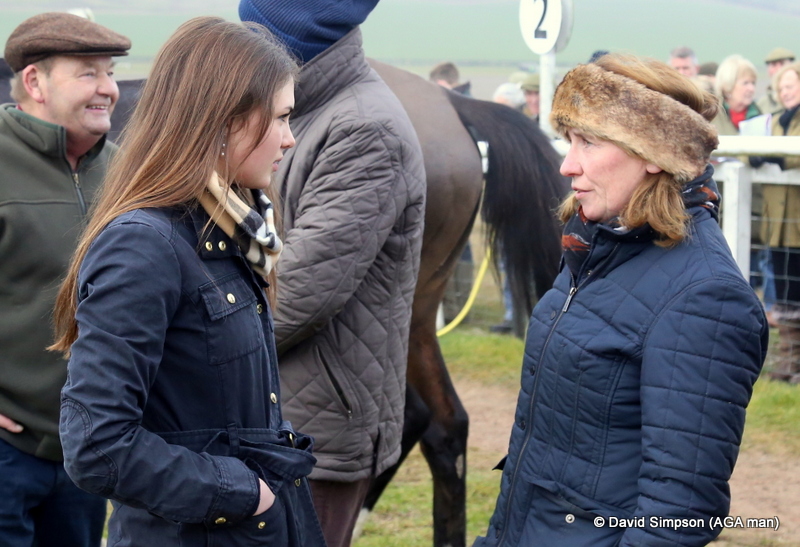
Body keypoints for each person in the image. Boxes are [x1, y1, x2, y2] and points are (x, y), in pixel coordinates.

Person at [51, 17, 325, 546]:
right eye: (282, 118)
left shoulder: (231, 234)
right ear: (225, 120)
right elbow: (97, 445)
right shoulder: (144, 244)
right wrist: (246, 492)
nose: (291, 139)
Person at [474, 53, 768, 547]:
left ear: (655, 152)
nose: (567, 164)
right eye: (570, 140)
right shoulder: (597, 249)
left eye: (589, 141)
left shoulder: (705, 298)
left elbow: (678, 517)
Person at [238, 2, 426, 547]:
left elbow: (296, 296)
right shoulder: (303, 111)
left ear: (285, 41)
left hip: (318, 429)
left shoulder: (363, 130)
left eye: (254, 33)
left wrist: (182, 354)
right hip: (278, 407)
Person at [0, 12, 129, 546]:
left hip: (87, 453)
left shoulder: (123, 174)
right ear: (34, 82)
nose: (108, 90)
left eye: (110, 72)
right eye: (87, 73)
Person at [758, 62, 800, 384]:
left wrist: (776, 155)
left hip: (796, 222)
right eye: (782, 88)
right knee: (785, 293)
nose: (787, 93)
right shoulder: (774, 122)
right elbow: (750, 147)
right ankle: (788, 362)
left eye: (791, 86)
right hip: (779, 225)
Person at [712, 54, 761, 134]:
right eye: (745, 83)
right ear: (728, 85)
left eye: (753, 83)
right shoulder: (713, 114)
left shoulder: (759, 113)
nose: (751, 89)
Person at [757, 47, 796, 115]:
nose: (778, 69)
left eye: (782, 64)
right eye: (774, 65)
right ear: (768, 71)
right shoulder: (762, 105)